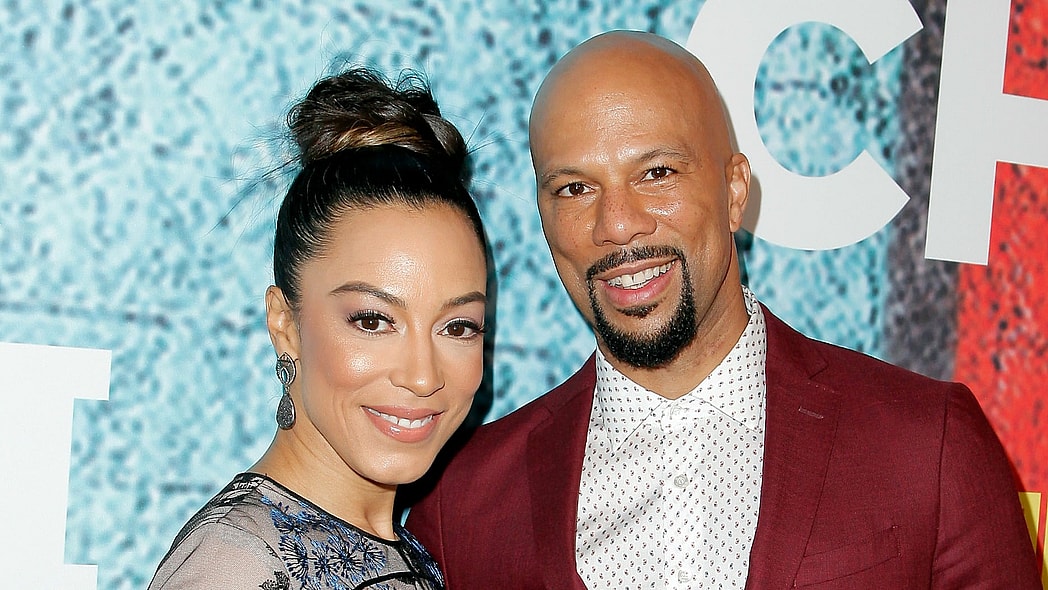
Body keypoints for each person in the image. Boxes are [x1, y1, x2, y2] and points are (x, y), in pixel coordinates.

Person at [405, 31, 1040, 589]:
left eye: (657, 173)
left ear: (735, 191)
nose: (617, 225)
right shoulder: (464, 504)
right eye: (575, 188)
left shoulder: (928, 445)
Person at [149, 66, 489, 590]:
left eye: (458, 327)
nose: (423, 377)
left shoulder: (415, 554)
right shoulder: (238, 564)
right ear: (285, 325)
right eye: (373, 320)